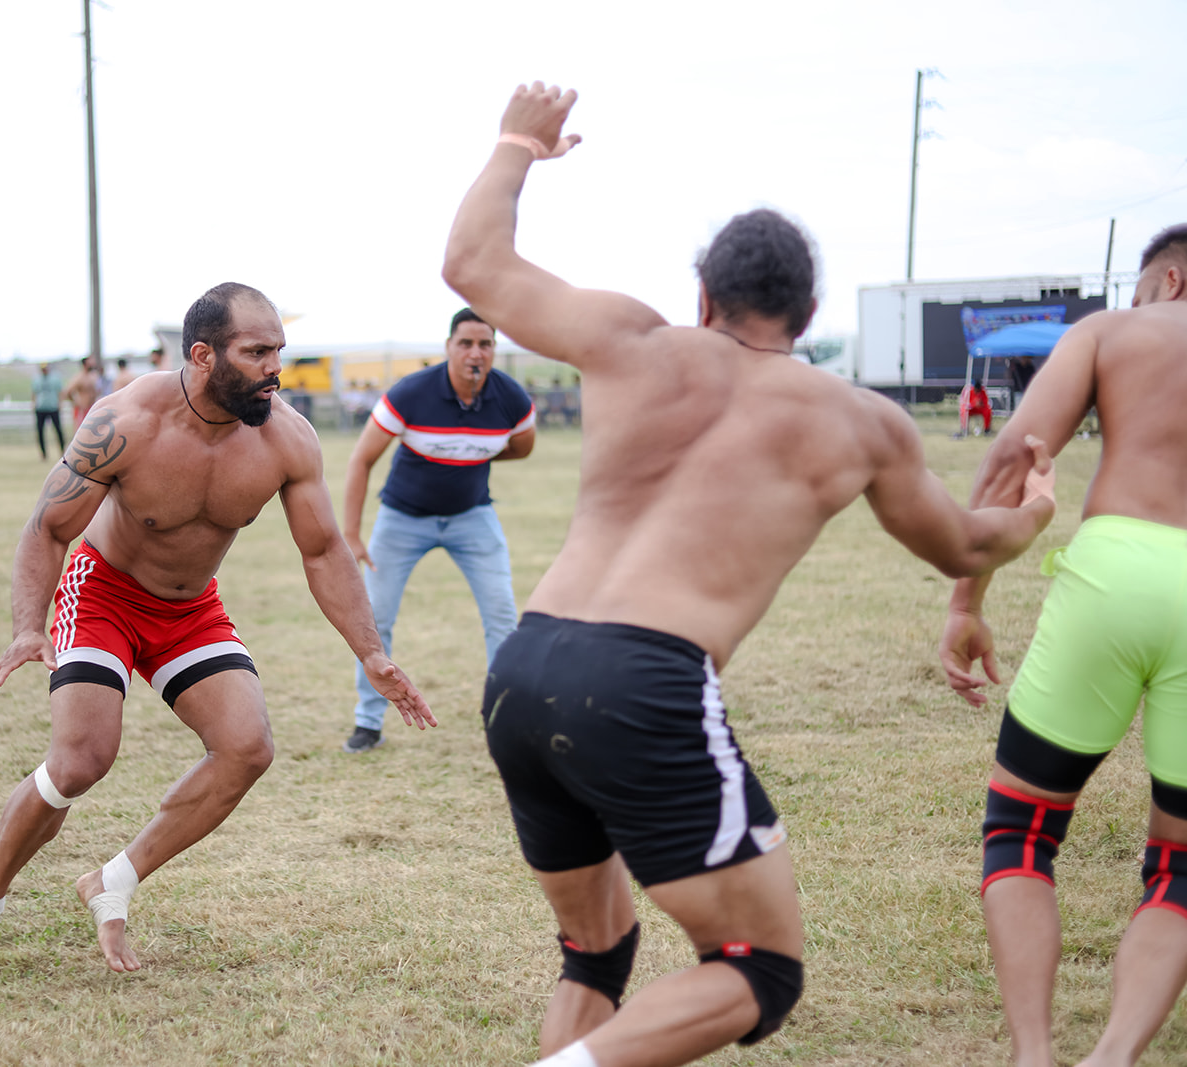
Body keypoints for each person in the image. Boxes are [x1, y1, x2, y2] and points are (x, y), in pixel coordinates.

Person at [442, 82, 1055, 1067]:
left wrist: (517, 141)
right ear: (807, 314)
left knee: (595, 950)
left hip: (523, 667)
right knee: (756, 967)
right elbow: (965, 548)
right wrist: (1033, 513)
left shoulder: (630, 340)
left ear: (703, 296)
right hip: (642, 680)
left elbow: (472, 264)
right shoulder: (855, 419)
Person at [0, 282, 434, 982]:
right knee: (80, 761)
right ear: (202, 355)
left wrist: (371, 652)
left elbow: (323, 551)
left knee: (247, 748)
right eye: (257, 352)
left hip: (189, 609)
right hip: (103, 593)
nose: (275, 368)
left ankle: (113, 881)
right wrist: (26, 627)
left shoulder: (287, 437)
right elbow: (47, 527)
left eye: (279, 351)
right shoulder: (126, 421)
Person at [939, 224, 1187, 1067]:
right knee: (1179, 866)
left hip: (1116, 571)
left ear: (1170, 281)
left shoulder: (1110, 333)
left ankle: (1035, 1054)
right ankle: (1113, 1056)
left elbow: (1013, 458)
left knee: (1021, 830)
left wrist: (966, 601)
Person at [339, 307, 535, 753]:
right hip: (402, 519)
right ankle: (368, 721)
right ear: (448, 347)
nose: (475, 353)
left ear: (494, 350)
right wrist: (351, 533)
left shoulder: (511, 398)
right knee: (376, 619)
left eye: (485, 344)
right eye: (465, 343)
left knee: (502, 615)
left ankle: (507, 719)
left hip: (473, 518)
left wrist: (469, 453)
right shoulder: (411, 393)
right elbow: (361, 459)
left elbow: (522, 447)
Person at [31, 363, 65, 460]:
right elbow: (34, 393)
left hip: (53, 407)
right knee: (40, 431)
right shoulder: (37, 379)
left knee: (58, 430)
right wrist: (33, 404)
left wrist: (60, 403)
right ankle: (43, 453)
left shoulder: (55, 378)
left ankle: (62, 450)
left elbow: (60, 392)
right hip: (41, 408)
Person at [62, 356, 103, 430]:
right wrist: (75, 402)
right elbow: (68, 392)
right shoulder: (79, 377)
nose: (92, 364)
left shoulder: (93, 376)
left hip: (92, 408)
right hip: (82, 409)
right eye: (90, 363)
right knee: (82, 430)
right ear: (85, 364)